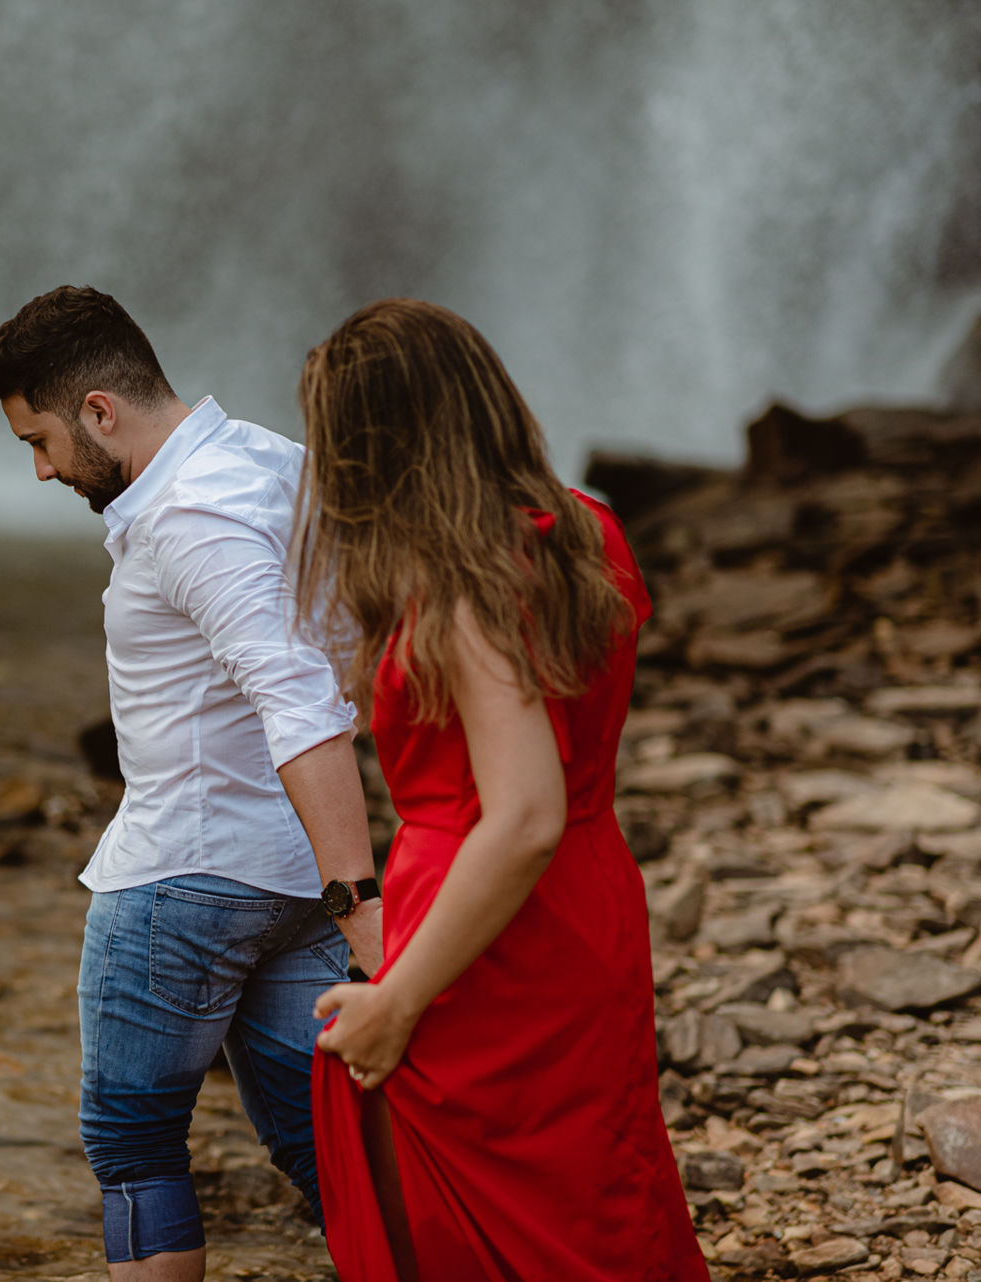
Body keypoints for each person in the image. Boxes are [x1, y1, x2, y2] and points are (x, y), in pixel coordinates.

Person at [0, 285, 385, 1281]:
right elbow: (351, 649)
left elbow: (296, 698)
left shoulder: (190, 517)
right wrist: (332, 891)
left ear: (101, 411)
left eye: (41, 440)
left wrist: (363, 902)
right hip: (285, 880)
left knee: (133, 1146)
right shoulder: (280, 465)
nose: (40, 469)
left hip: (180, 883)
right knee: (325, 1151)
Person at [290, 298, 707, 1280]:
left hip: (494, 937)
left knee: (500, 1217)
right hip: (583, 905)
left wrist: (397, 997)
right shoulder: (579, 529)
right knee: (590, 1186)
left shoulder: (469, 585)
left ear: (383, 445)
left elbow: (521, 816)